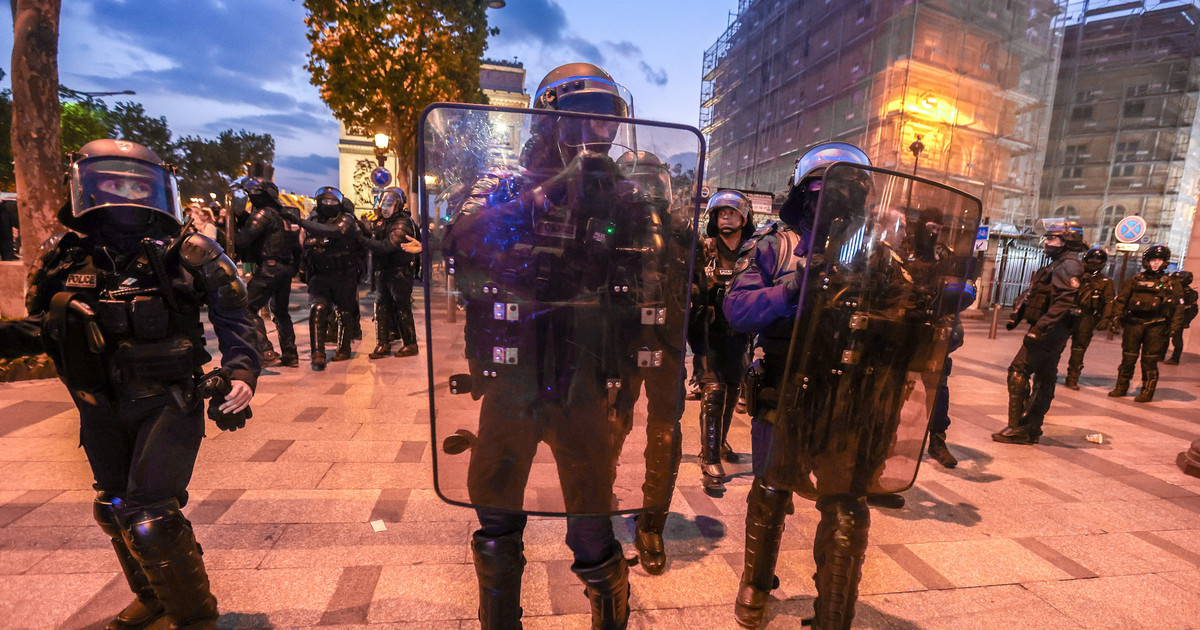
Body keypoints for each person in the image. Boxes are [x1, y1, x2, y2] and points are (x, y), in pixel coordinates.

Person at [440, 62, 669, 629]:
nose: (602, 132)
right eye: (586, 118)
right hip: (511, 375)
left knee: (592, 527)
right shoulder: (506, 183)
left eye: (608, 119)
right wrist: (542, 196)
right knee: (496, 520)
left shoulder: (625, 198)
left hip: (586, 378)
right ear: (550, 121)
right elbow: (456, 242)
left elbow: (658, 280)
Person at [723, 142, 978, 629]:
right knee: (772, 488)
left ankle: (834, 613)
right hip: (783, 388)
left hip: (853, 395)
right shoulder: (778, 246)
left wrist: (932, 289)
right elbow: (737, 310)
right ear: (803, 196)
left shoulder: (883, 252)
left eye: (845, 191)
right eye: (821, 191)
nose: (832, 202)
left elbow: (946, 308)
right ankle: (755, 584)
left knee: (845, 502)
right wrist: (794, 289)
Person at [19, 139, 260, 630]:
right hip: (98, 400)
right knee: (114, 506)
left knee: (151, 515)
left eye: (135, 182)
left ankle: (194, 618)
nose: (124, 192)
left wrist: (241, 371)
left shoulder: (189, 252)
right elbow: (36, 322)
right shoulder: (65, 256)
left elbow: (236, 314)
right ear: (87, 184)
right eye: (111, 181)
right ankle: (152, 598)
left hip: (168, 398)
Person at [614, 150, 691, 575]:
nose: (645, 189)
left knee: (665, 433)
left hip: (667, 344)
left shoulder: (683, 233)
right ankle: (595, 508)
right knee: (608, 427)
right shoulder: (611, 226)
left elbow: (702, 296)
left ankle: (652, 523)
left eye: (651, 179)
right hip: (620, 343)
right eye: (637, 179)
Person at [994, 220, 1086, 444]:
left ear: (1066, 242)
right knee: (1045, 376)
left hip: (1050, 331)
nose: (1047, 242)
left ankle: (1018, 427)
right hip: (1053, 330)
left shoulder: (1068, 266)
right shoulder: (1060, 263)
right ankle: (1032, 427)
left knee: (1018, 370)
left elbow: (1064, 301)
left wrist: (1040, 328)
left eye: (1052, 238)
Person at [900, 207, 976, 469]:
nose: (934, 232)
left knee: (938, 386)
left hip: (934, 329)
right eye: (931, 226)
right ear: (920, 225)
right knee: (893, 384)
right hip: (904, 326)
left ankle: (937, 439)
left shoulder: (945, 254)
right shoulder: (903, 249)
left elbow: (957, 287)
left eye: (939, 228)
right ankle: (884, 440)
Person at [693, 189, 755, 495]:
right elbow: (689, 283)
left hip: (740, 334)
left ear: (744, 218)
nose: (725, 217)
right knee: (714, 389)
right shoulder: (705, 250)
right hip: (709, 335)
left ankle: (719, 440)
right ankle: (710, 458)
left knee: (732, 389)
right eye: (720, 213)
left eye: (731, 212)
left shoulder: (753, 250)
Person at [284, 187, 363, 370]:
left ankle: (344, 348)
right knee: (318, 309)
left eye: (332, 201)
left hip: (344, 273)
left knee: (344, 311)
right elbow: (306, 246)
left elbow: (334, 231)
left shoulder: (347, 219)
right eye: (324, 201)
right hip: (320, 273)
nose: (328, 205)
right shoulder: (312, 219)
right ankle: (317, 353)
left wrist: (303, 224)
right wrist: (304, 265)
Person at [234, 178, 301, 368]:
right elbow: (296, 248)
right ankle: (290, 354)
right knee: (281, 313)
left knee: (246, 308)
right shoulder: (284, 216)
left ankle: (266, 351)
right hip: (284, 268)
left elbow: (244, 239)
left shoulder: (264, 215)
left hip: (269, 268)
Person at [1108, 245, 1184, 402]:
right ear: (1146, 262)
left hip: (1156, 326)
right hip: (1134, 324)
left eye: (1159, 260)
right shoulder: (1135, 280)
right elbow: (1122, 300)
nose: (1155, 263)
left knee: (1149, 360)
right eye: (1152, 260)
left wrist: (1175, 328)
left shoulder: (1171, 283)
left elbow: (1178, 307)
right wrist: (1115, 318)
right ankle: (1121, 386)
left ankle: (1147, 390)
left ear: (1164, 262)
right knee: (1128, 357)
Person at [361, 187, 422, 359]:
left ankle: (410, 344)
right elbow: (376, 236)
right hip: (385, 271)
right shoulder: (384, 221)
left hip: (399, 273)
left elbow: (387, 246)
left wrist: (361, 239)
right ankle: (383, 344)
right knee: (381, 307)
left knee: (402, 308)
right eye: (384, 202)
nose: (385, 207)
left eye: (390, 203)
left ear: (398, 205)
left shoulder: (402, 223)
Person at [1063, 247, 1115, 389]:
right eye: (1091, 261)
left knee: (1079, 349)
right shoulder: (1075, 276)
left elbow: (1109, 301)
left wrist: (1106, 318)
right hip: (1067, 314)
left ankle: (1072, 378)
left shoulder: (1105, 282)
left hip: (1086, 317)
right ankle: (1047, 374)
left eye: (1097, 262)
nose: (1093, 264)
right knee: (1056, 346)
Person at [1164, 270, 1197, 364]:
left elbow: (1192, 309)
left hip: (1179, 318)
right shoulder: (1171, 290)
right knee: (1163, 337)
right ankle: (1160, 355)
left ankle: (1175, 358)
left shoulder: (1190, 293)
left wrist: (1185, 321)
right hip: (1167, 316)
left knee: (1176, 337)